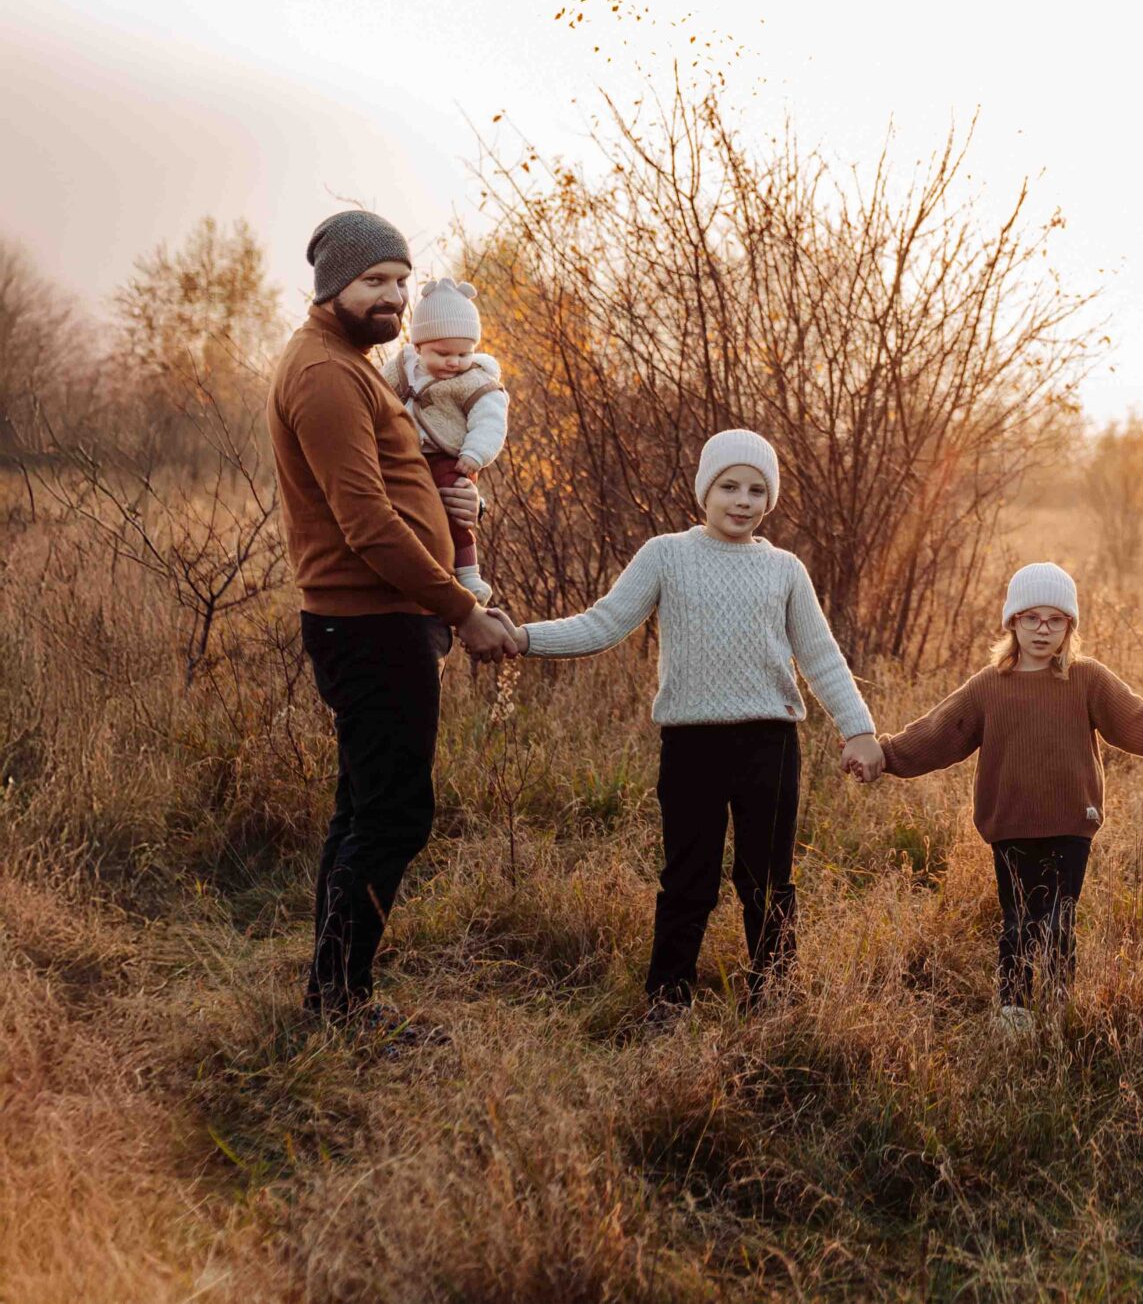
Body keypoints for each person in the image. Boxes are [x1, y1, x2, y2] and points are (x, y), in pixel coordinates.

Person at [515, 429, 879, 1015]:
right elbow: (604, 623)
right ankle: (667, 998)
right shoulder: (667, 554)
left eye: (757, 490)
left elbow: (820, 656)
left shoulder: (785, 569)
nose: (743, 500)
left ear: (770, 499)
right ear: (704, 491)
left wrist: (858, 729)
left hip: (771, 742)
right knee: (689, 878)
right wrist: (524, 638)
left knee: (767, 880)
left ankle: (775, 997)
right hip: (690, 744)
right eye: (729, 486)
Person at [269, 209, 516, 1030]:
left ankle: (330, 996)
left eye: (402, 282)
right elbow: (367, 521)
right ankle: (341, 1004)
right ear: (333, 284)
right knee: (394, 814)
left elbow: (403, 474)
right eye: (375, 281)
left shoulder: (356, 363)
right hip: (369, 621)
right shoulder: (326, 374)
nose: (393, 297)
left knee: (363, 808)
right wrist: (462, 607)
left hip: (381, 617)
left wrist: (454, 502)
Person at [848, 562, 1143, 1034]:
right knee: (1018, 918)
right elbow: (938, 733)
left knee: (1057, 917)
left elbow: (1136, 720)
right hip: (1009, 824)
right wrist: (884, 755)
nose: (1043, 629)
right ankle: (1014, 1008)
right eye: (1031, 618)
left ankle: (1056, 1005)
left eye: (1055, 619)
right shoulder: (989, 686)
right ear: (1012, 622)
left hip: (1072, 822)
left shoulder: (1086, 678)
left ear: (1070, 626)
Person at [386, 277, 508, 600]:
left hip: (450, 456)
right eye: (443, 353)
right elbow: (376, 394)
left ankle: (468, 572)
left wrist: (475, 453)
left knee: (456, 506)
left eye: (464, 353)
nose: (454, 362)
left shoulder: (475, 379)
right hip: (407, 455)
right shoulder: (401, 370)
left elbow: (490, 419)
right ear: (418, 347)